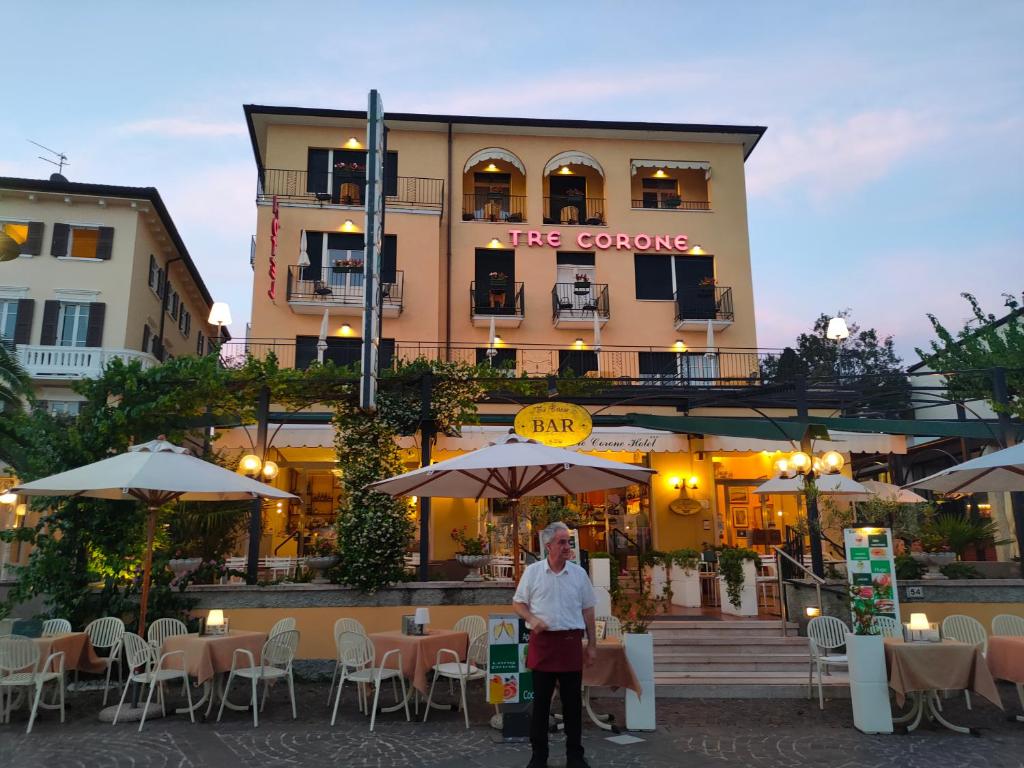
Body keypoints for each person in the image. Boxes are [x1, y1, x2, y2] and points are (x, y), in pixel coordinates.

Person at [513, 522, 596, 768]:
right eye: (561, 542)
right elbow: (518, 603)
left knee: (572, 705)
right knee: (540, 705)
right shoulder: (533, 573)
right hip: (544, 643)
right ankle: (538, 757)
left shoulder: (579, 574)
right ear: (548, 546)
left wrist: (592, 644)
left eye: (568, 541)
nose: (567, 546)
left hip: (571, 642)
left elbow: (588, 610)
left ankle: (575, 756)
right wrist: (531, 619)